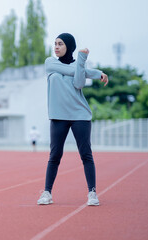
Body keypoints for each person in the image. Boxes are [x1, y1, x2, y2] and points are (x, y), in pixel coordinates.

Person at [37, 33, 108, 206]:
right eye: (55, 44)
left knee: (86, 155)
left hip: (80, 115)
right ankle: (47, 193)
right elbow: (72, 71)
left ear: (69, 46)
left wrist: (81, 60)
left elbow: (79, 84)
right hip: (58, 116)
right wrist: (96, 73)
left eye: (60, 44)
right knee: (54, 155)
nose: (56, 47)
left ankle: (92, 193)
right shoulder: (50, 63)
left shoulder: (78, 66)